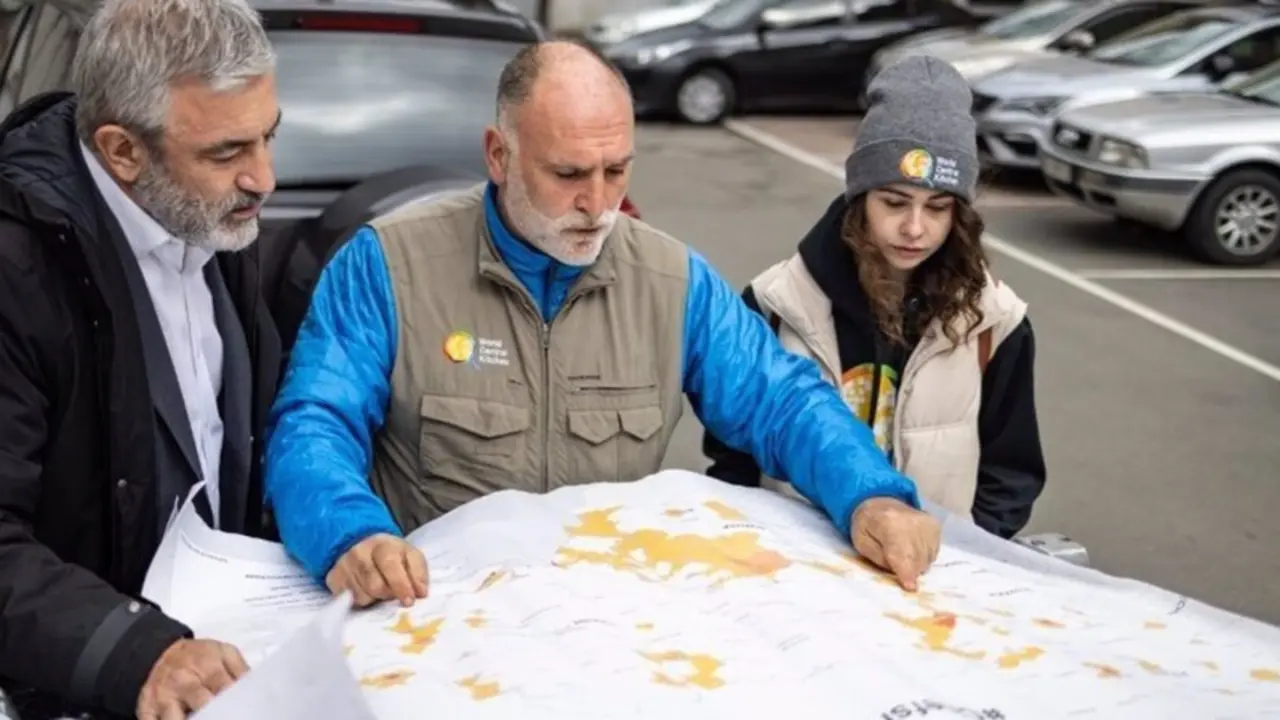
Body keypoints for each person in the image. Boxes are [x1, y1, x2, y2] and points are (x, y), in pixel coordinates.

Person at [264, 41, 942, 611]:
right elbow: (315, 422)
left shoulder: (673, 281)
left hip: (606, 626)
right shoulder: (386, 265)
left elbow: (782, 401)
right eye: (567, 174)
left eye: (616, 170)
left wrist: (870, 495)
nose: (597, 203)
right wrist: (350, 535)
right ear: (498, 155)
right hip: (439, 619)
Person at [0, 0, 284, 716]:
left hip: (227, 657)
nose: (264, 180)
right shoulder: (17, 271)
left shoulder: (215, 222)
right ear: (122, 150)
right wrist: (134, 651)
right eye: (227, 152)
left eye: (268, 138)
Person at [703, 56, 1047, 540]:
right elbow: (732, 455)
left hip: (931, 581)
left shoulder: (995, 322)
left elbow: (1011, 475)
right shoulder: (775, 304)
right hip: (797, 578)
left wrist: (965, 557)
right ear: (859, 196)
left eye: (938, 208)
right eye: (894, 201)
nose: (914, 228)